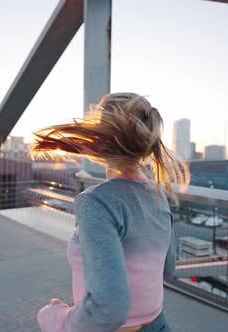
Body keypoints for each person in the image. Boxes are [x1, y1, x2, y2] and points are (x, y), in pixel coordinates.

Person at [33, 93, 189, 332]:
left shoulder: (96, 201)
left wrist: (56, 319)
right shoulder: (158, 195)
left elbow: (109, 307)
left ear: (101, 137)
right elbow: (166, 270)